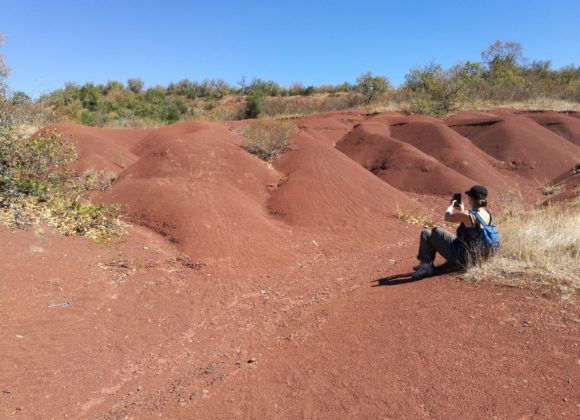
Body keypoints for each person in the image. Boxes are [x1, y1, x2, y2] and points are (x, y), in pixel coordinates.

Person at [411, 185, 495, 279]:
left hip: (462, 258)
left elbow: (447, 217)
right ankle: (427, 264)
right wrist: (462, 211)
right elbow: (472, 227)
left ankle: (426, 266)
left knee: (427, 233)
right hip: (476, 257)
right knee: (437, 232)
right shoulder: (488, 214)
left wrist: (451, 206)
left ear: (471, 199)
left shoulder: (468, 215)